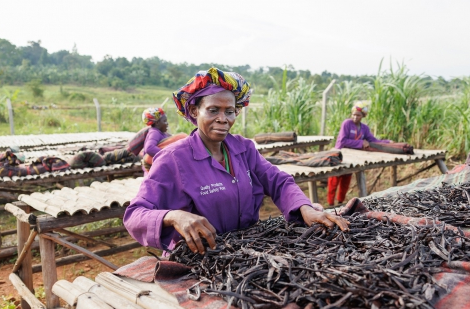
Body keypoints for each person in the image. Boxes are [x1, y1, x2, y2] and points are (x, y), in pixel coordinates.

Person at [124, 67, 349, 254]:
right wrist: (173, 216)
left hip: (244, 250)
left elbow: (277, 181)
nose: (223, 119)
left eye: (230, 112)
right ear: (194, 110)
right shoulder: (173, 159)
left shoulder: (243, 148)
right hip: (199, 259)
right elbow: (135, 215)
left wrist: (304, 208)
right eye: (213, 110)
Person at [327, 101, 391, 206]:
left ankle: (340, 202)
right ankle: (330, 204)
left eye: (358, 115)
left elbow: (373, 140)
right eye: (354, 114)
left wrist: (388, 142)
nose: (355, 117)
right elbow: (342, 141)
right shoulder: (347, 123)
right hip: (338, 155)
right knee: (333, 181)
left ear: (363, 116)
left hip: (351, 157)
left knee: (346, 181)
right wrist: (360, 142)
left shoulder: (364, 128)